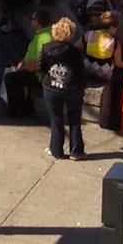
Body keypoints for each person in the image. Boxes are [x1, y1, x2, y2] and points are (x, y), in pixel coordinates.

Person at [38, 16, 87, 160]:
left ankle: (56, 150)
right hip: (72, 88)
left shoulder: (46, 48)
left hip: (51, 87)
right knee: (75, 119)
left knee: (56, 119)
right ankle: (76, 151)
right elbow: (80, 71)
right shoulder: (75, 53)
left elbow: (41, 67)